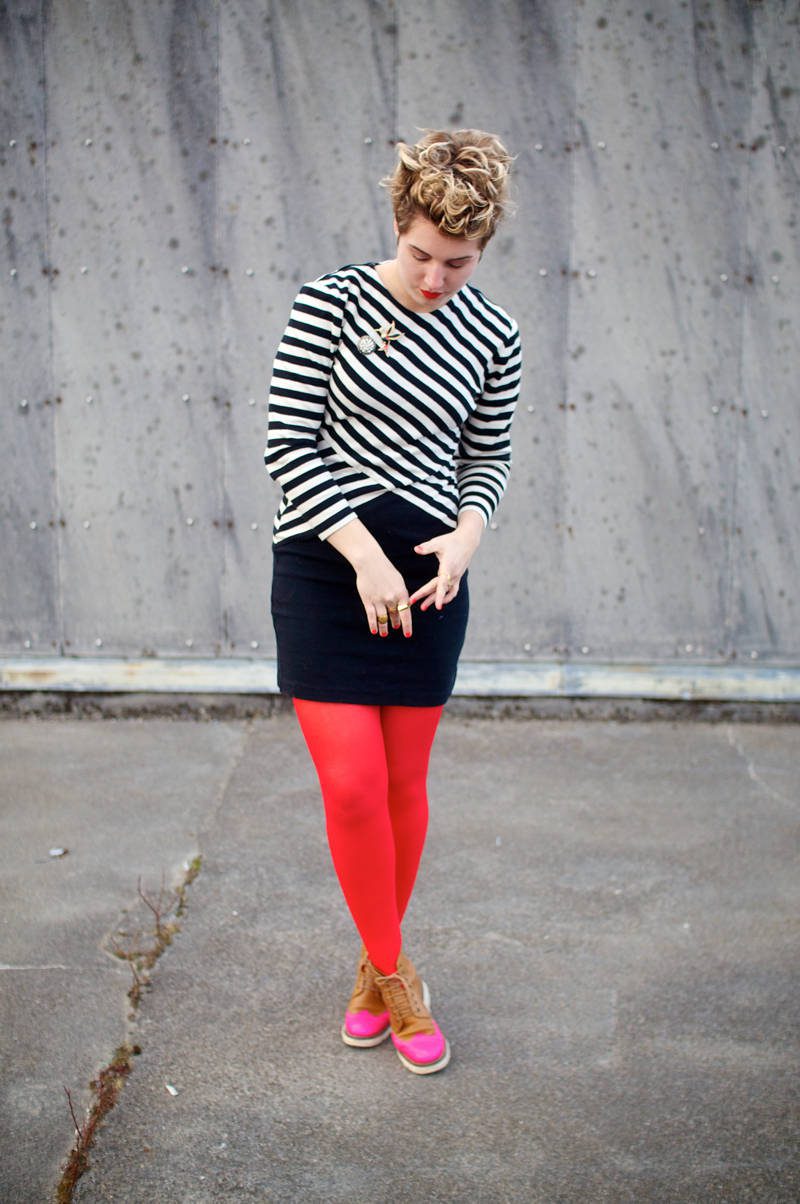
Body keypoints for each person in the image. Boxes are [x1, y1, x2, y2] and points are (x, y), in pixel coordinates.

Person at [265, 129, 521, 1075]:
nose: (433, 278)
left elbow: (485, 459)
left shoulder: (494, 333)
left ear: (483, 249)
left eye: (457, 262)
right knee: (352, 785)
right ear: (398, 227)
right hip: (328, 569)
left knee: (406, 787)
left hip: (428, 579)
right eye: (420, 254)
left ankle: (372, 972)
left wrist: (467, 534)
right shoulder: (329, 303)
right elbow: (288, 446)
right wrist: (362, 555)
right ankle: (397, 973)